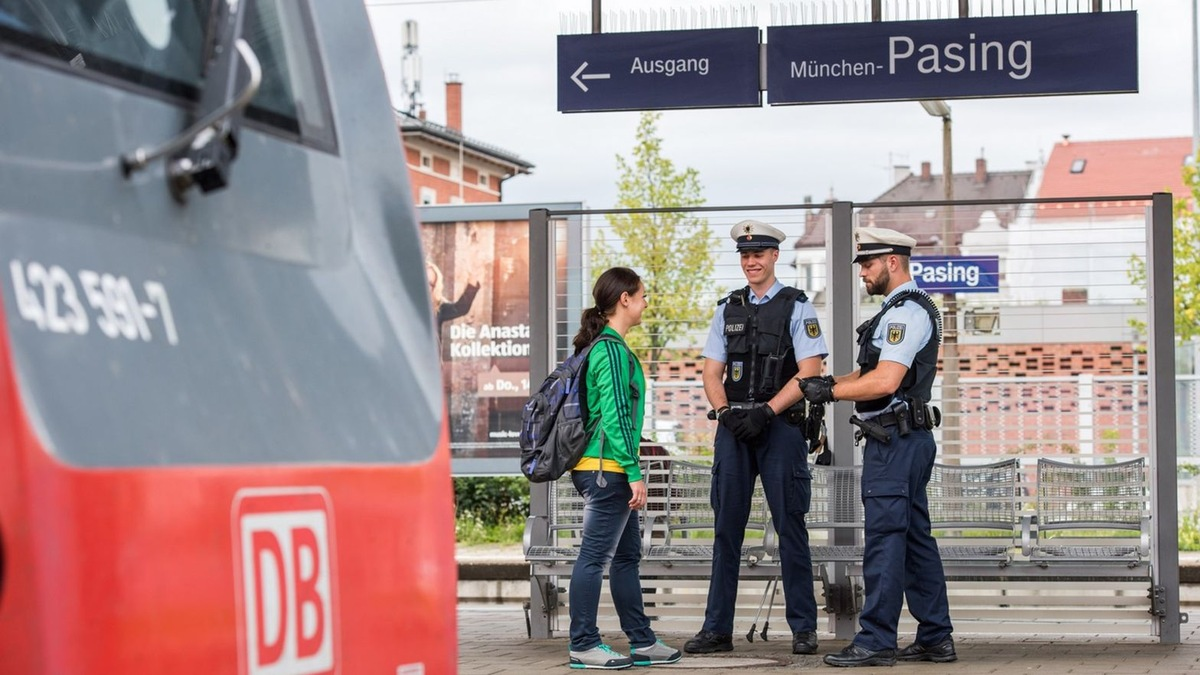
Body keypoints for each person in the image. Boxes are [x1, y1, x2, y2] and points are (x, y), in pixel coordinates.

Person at [799, 227, 956, 668]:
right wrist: (828, 383)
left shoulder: (904, 314)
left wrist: (830, 394)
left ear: (892, 262)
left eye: (868, 264)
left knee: (886, 541)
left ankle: (875, 641)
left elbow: (885, 382)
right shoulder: (901, 310)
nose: (863, 273)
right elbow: (873, 373)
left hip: (895, 442)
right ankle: (935, 636)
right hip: (905, 439)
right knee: (914, 541)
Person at [684, 220, 828, 657]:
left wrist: (767, 411)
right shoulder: (727, 308)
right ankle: (716, 630)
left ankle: (803, 629)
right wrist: (726, 414)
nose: (751, 262)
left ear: (774, 257)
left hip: (780, 428)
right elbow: (711, 372)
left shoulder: (798, 307)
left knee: (790, 526)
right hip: (734, 431)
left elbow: (811, 371)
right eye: (745, 256)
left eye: (759, 254)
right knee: (726, 529)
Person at [567, 266, 682, 670]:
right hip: (607, 469)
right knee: (595, 559)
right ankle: (583, 643)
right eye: (643, 295)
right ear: (624, 299)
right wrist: (634, 471)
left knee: (626, 557)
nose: (647, 302)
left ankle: (642, 641)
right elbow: (615, 415)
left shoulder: (607, 347)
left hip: (608, 465)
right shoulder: (611, 350)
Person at [427, 258, 481, 328]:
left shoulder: (437, 308)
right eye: (422, 278)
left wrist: (473, 278)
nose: (424, 284)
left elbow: (460, 308)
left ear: (434, 289)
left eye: (430, 283)